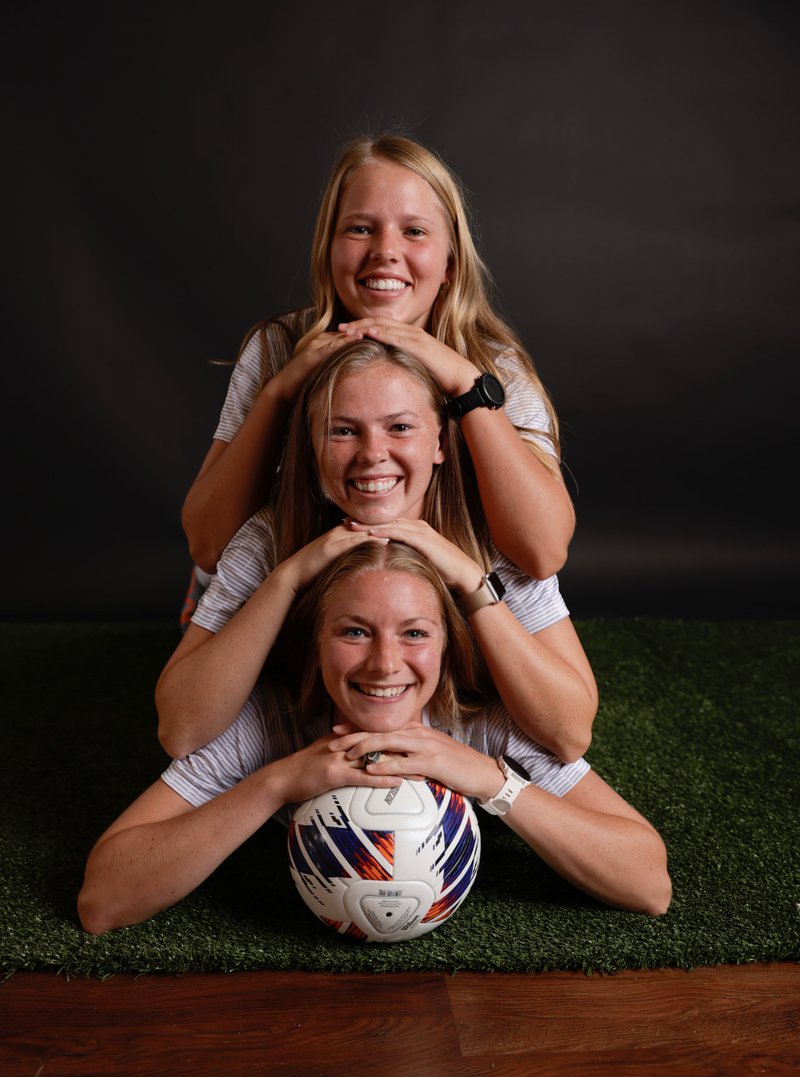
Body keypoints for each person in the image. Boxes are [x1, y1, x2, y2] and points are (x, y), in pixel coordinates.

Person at [78, 543, 671, 935]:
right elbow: (102, 900)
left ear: (447, 646)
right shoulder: (261, 719)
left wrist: (493, 783)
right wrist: (274, 783)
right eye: (355, 631)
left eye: (414, 633)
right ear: (315, 643)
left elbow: (649, 885)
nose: (385, 664)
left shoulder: (487, 719)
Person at [156, 339, 598, 765]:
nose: (372, 455)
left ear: (441, 443)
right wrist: (287, 579)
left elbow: (570, 734)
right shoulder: (268, 535)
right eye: (343, 431)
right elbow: (180, 732)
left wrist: (470, 581)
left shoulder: (492, 535)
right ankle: (202, 594)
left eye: (400, 427)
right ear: (312, 449)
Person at [180, 134, 575, 589]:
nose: (385, 251)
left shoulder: (494, 366)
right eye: (360, 228)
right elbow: (207, 547)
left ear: (450, 262)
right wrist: (280, 391)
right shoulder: (277, 347)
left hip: (420, 605)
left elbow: (543, 554)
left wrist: (467, 385)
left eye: (415, 231)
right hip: (300, 604)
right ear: (329, 250)